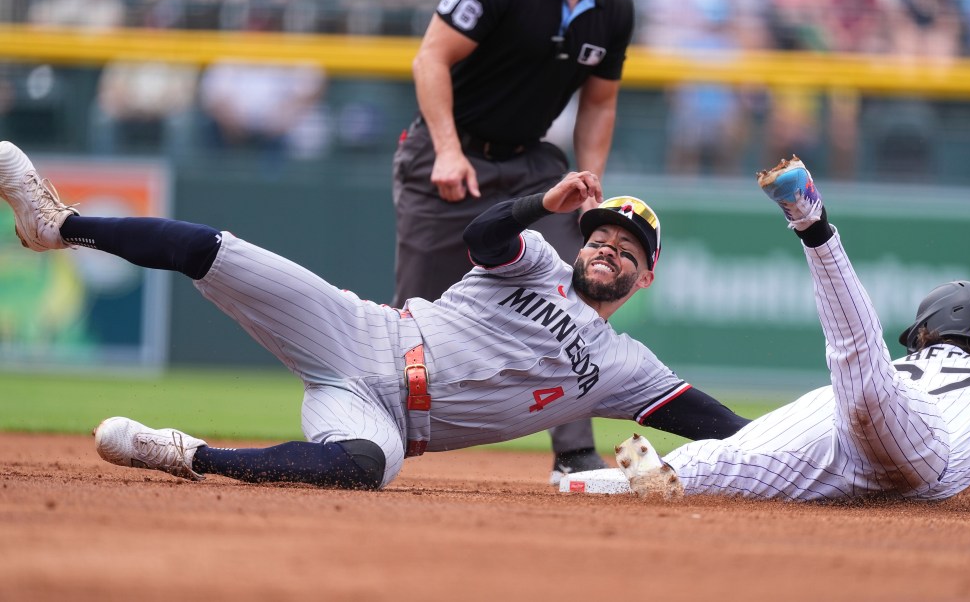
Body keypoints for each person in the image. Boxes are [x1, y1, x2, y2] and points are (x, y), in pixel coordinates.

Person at [0, 140, 749, 491]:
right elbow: (480, 236)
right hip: (359, 329)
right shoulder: (538, 263)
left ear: (645, 276)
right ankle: (56, 225)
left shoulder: (628, 368)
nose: (610, 251)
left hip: (383, 417)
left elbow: (733, 432)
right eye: (603, 236)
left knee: (368, 466)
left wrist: (842, 450)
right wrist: (538, 203)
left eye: (629, 250)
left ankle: (188, 455)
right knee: (216, 249)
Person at [612, 156, 970, 502]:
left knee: (733, 456)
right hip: (905, 449)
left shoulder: (908, 364)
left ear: (925, 329)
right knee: (856, 365)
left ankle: (813, 223)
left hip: (854, 426)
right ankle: (642, 478)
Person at [393, 0, 635, 482]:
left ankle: (574, 451)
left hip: (532, 164)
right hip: (448, 152)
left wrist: (589, 181)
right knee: (414, 312)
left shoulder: (613, 5)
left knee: (571, 295)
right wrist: (449, 152)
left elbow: (599, 103)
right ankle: (374, 424)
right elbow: (430, 58)